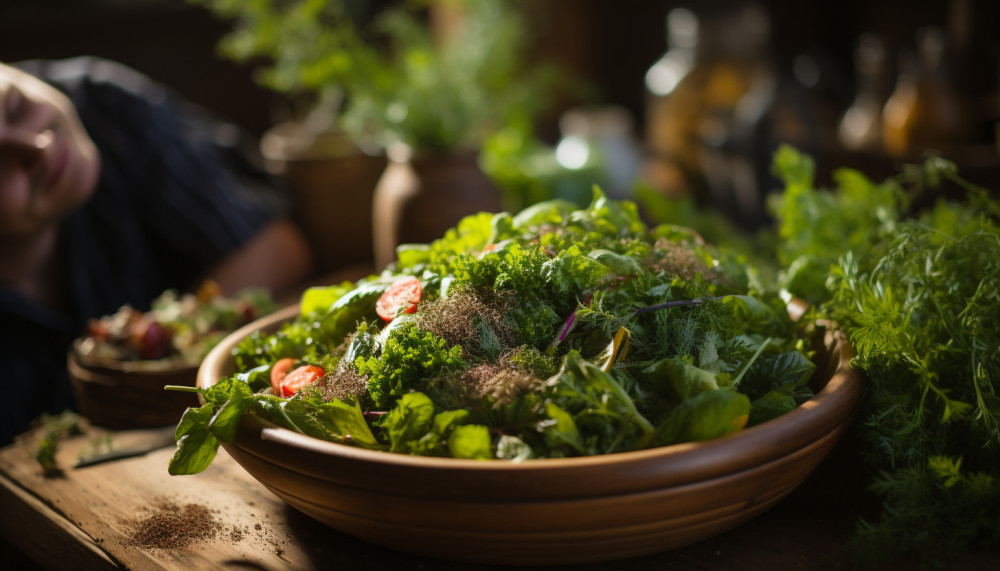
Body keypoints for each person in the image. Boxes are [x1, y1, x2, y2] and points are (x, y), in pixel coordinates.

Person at [0, 56, 314, 445]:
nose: (39, 146)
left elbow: (276, 248)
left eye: (16, 107)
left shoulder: (106, 110)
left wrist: (161, 341)